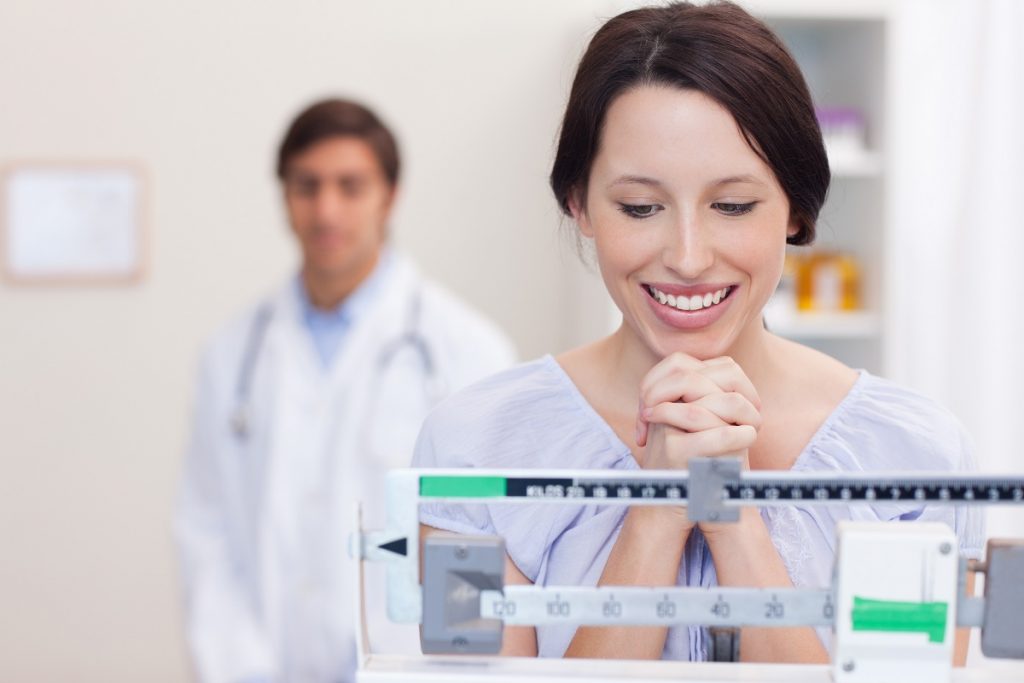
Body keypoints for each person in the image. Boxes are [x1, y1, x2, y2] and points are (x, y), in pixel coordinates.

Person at [413, 1, 983, 665]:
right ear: (579, 203)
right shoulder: (474, 449)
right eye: (641, 206)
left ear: (796, 208)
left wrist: (731, 514)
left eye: (733, 205)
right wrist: (654, 512)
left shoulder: (911, 456)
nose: (687, 255)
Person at [175, 98, 516, 683]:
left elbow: (490, 540)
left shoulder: (468, 351)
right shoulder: (232, 354)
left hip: (413, 667)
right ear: (284, 196)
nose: (326, 209)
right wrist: (235, 664)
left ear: (390, 195)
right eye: (307, 186)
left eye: (350, 186)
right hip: (262, 667)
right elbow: (205, 529)